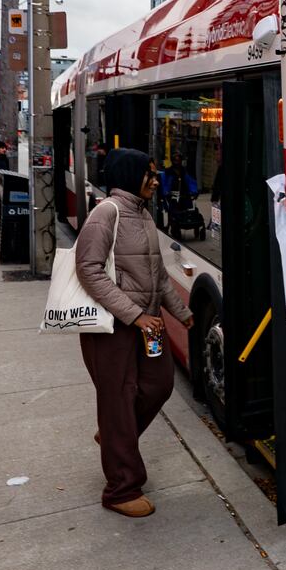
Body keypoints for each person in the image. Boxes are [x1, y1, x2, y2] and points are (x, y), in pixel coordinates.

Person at [75, 148, 194, 518]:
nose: (156, 180)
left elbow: (158, 275)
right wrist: (135, 315)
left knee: (159, 385)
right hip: (114, 327)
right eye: (150, 173)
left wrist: (184, 314)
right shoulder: (106, 212)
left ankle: (113, 436)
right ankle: (121, 489)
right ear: (130, 174)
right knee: (119, 398)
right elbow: (88, 269)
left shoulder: (143, 215)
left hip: (149, 323)